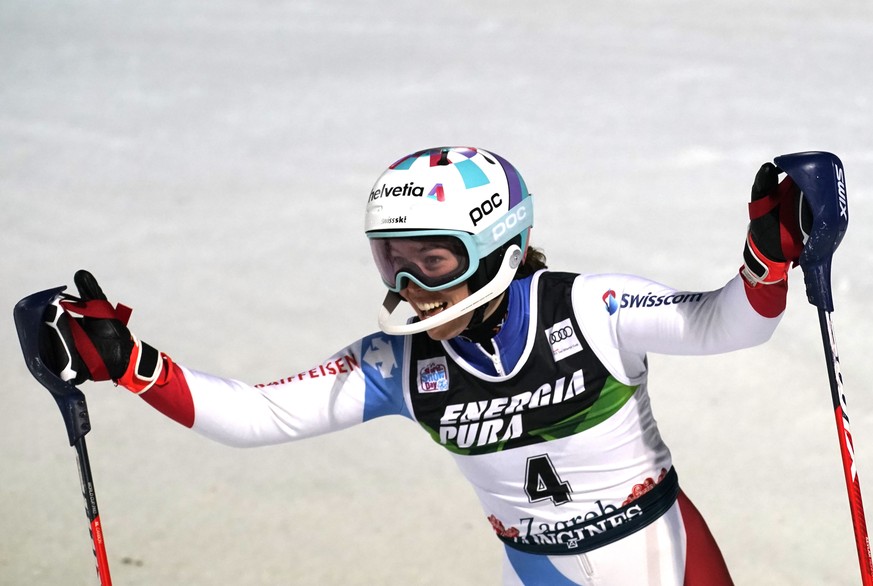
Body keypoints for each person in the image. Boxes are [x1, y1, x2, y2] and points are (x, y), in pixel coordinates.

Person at [42, 146, 807, 585]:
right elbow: (253, 417)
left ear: (498, 247)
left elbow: (723, 328)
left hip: (661, 548)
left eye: (431, 259)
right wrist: (132, 364)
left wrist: (765, 263)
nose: (409, 287)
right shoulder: (393, 364)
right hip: (545, 570)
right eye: (391, 260)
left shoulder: (589, 307)